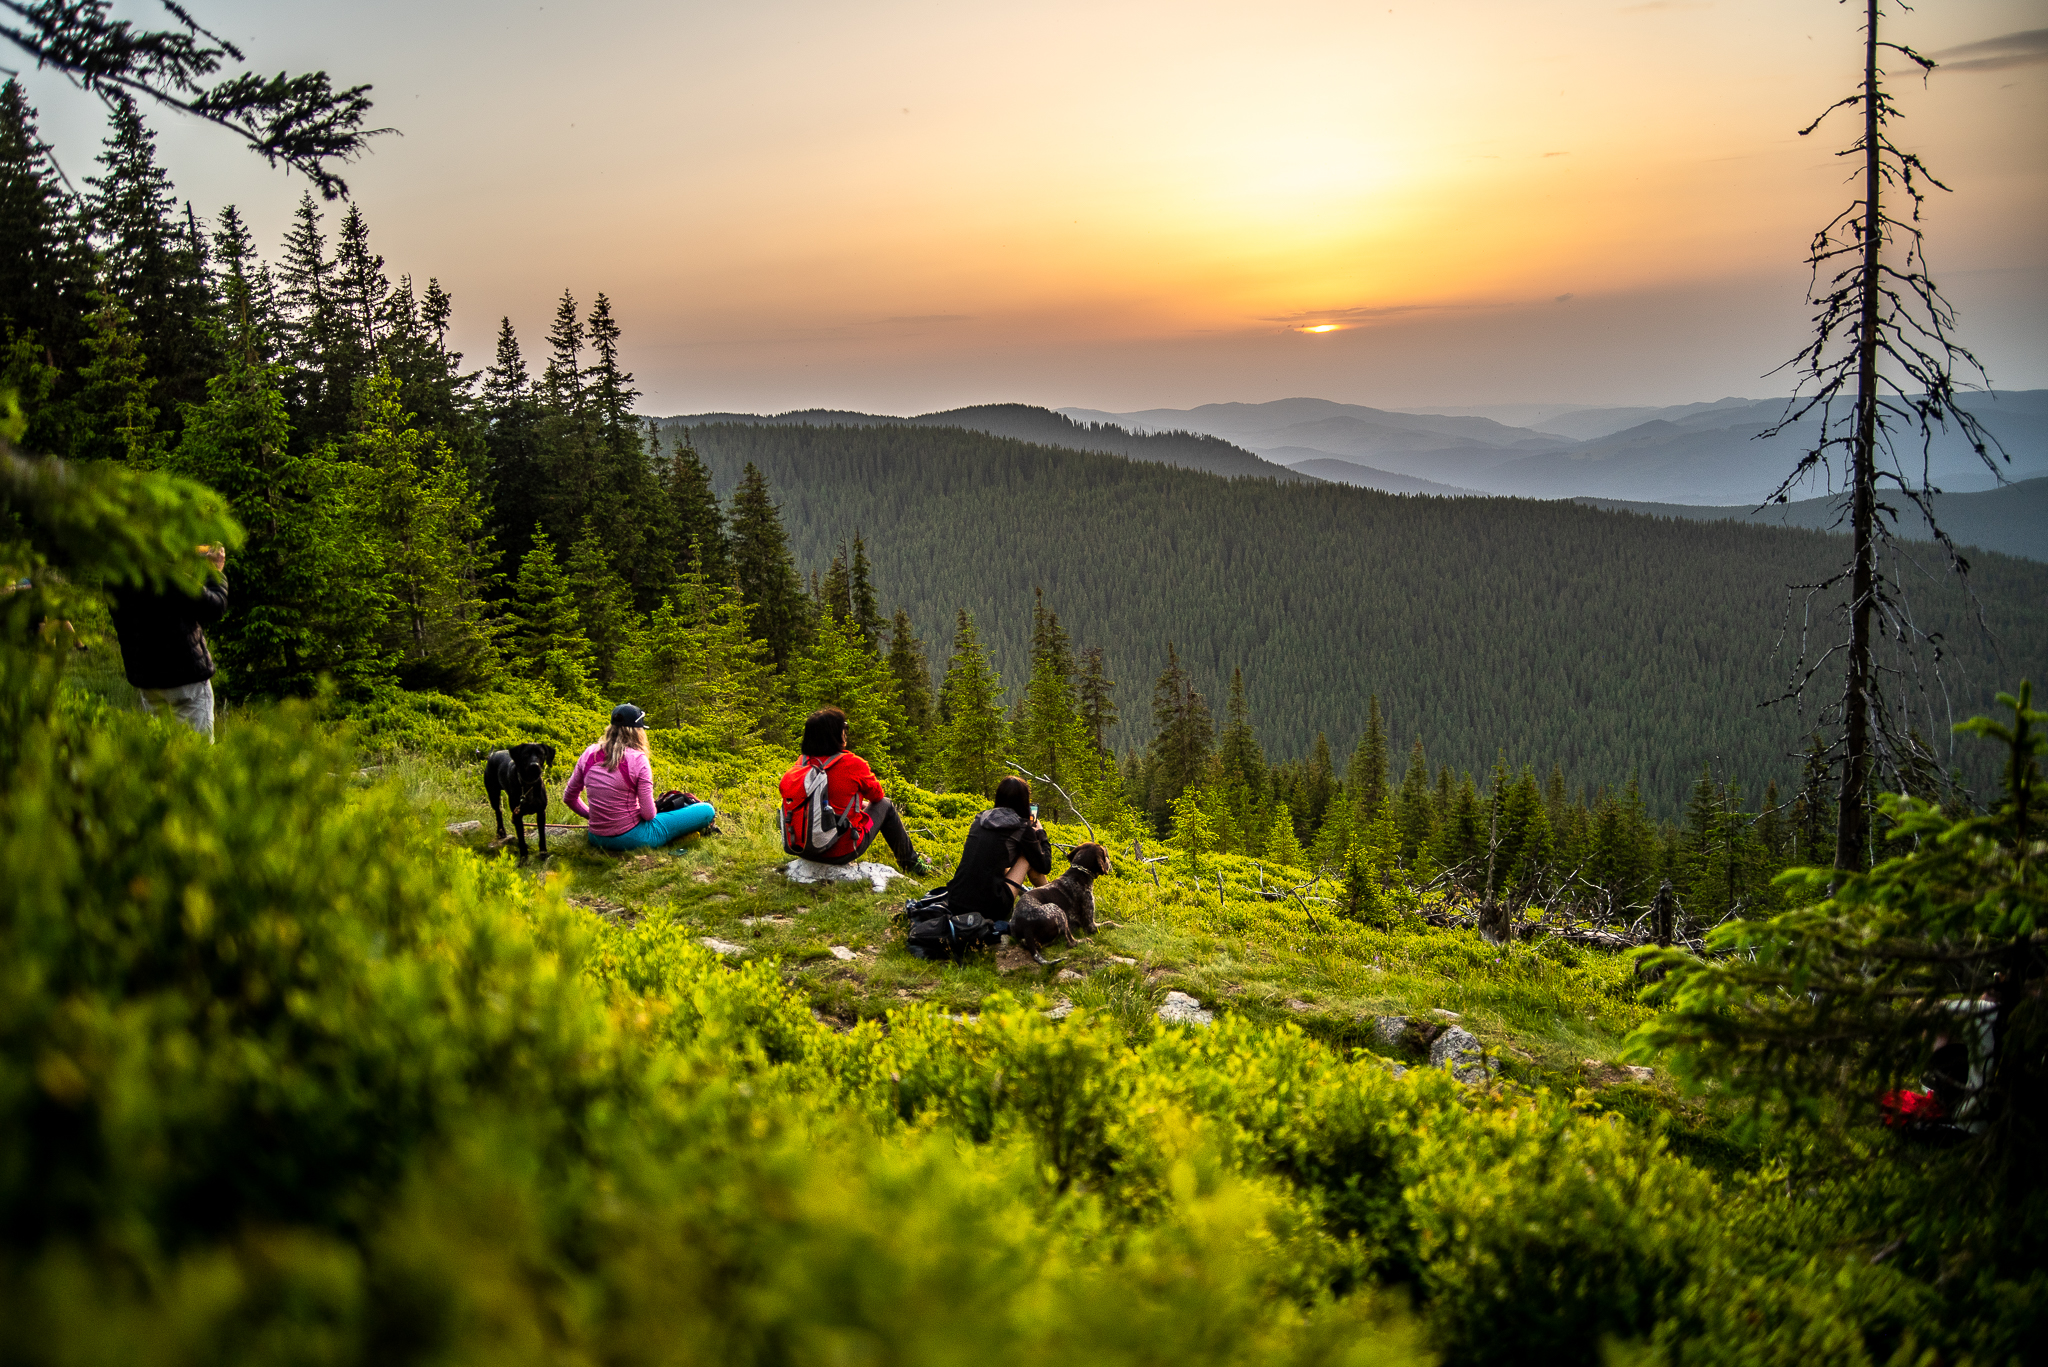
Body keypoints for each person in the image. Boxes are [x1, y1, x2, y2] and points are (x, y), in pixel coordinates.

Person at [780, 707, 930, 875]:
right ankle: (912, 865)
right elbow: (877, 795)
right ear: (836, 734)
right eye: (844, 727)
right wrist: (860, 804)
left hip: (803, 848)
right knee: (885, 804)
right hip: (841, 851)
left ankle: (912, 864)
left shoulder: (802, 762)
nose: (846, 731)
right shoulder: (853, 764)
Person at [107, 543, 229, 741]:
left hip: (147, 680)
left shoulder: (115, 577)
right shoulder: (170, 577)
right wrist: (214, 571)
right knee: (199, 758)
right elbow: (215, 606)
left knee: (162, 755)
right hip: (186, 678)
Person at [563, 703, 718, 852]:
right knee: (706, 810)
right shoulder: (637, 759)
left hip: (596, 837)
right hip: (632, 838)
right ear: (637, 732)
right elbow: (648, 814)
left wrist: (594, 817)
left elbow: (569, 797)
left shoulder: (589, 754)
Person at [943, 775, 1052, 921]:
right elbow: (1044, 866)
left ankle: (1044, 897)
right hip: (990, 909)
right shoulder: (1022, 828)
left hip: (955, 901)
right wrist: (1040, 833)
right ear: (1024, 801)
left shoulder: (980, 818)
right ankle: (1053, 900)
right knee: (1027, 857)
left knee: (992, 858)